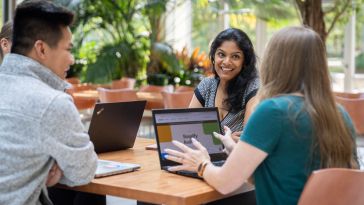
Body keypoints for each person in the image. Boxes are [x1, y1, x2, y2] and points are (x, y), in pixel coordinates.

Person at [164, 26, 359, 205]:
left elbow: (225, 183)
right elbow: (285, 175)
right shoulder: (340, 115)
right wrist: (235, 149)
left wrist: (201, 164)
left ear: (276, 63)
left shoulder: (273, 111)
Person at [0, 1, 98, 205]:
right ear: (41, 49)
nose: (72, 60)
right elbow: (84, 172)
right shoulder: (52, 103)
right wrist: (56, 164)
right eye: (68, 49)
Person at [189, 28, 259, 142]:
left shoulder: (253, 87)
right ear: (213, 57)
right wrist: (226, 140)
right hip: (204, 157)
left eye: (235, 56)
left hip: (238, 158)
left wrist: (209, 140)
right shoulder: (207, 85)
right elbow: (188, 130)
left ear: (245, 62)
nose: (226, 61)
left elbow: (249, 138)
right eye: (221, 54)